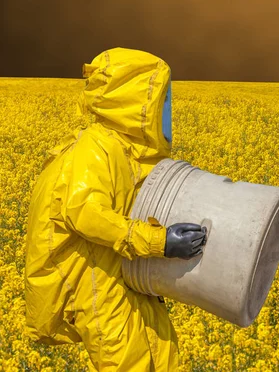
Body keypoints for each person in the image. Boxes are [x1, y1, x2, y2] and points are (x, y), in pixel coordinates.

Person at [24, 47, 207, 371]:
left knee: (162, 354)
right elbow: (84, 212)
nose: (166, 108)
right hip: (96, 283)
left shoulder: (127, 151)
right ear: (134, 100)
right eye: (160, 98)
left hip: (127, 273)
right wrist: (159, 242)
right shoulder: (96, 147)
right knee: (128, 361)